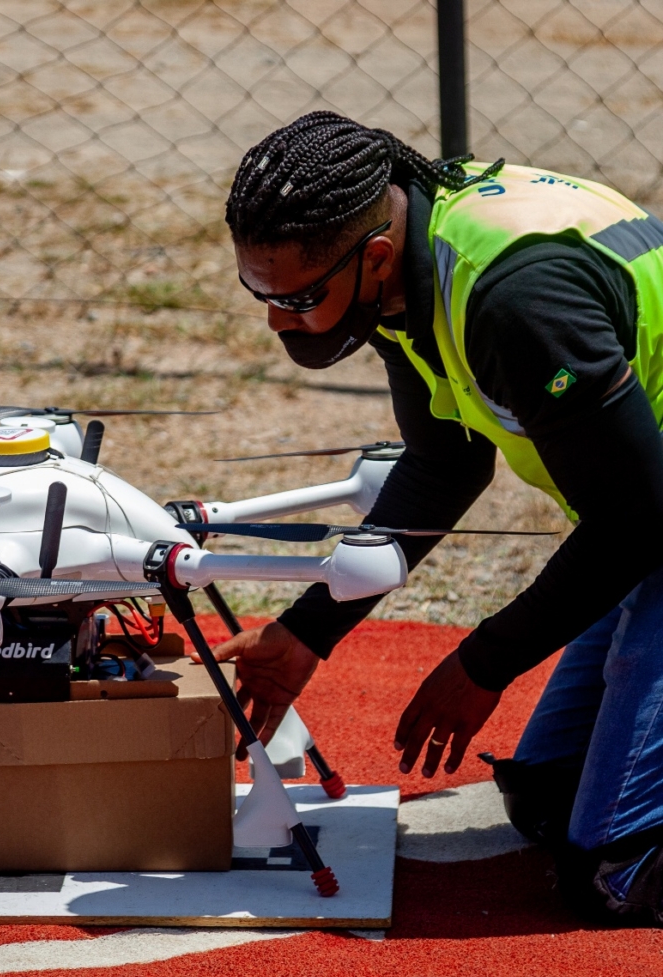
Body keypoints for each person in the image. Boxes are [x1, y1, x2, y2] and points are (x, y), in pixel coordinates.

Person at [213, 111, 663, 926]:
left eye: (298, 299)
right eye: (260, 293)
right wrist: (309, 629)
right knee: (543, 802)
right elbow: (445, 463)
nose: (277, 321)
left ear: (373, 258)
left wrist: (483, 663)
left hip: (650, 518)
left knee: (615, 871)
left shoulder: (517, 301)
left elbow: (637, 523)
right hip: (649, 513)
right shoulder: (401, 259)